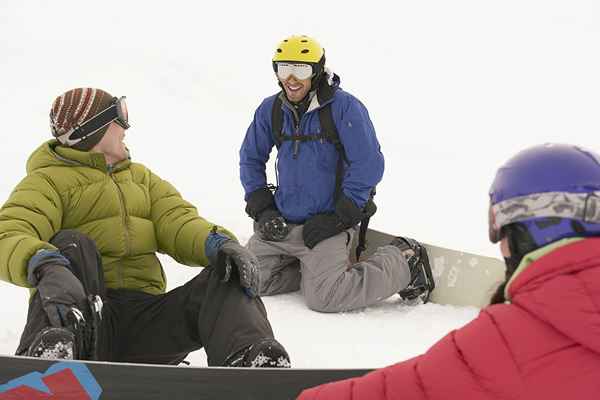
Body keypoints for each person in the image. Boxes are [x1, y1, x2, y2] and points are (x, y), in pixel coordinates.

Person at [0, 88, 290, 368]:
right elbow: (9, 232)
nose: (126, 126)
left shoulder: (141, 179)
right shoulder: (47, 182)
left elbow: (177, 220)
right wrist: (44, 264)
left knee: (227, 269)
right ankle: (46, 359)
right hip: (85, 321)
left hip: (147, 321)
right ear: (95, 129)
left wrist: (218, 243)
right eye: (119, 116)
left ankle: (249, 361)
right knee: (72, 243)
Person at [297, 143, 600, 399]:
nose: (501, 246)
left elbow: (404, 390)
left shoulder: (505, 341)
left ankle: (405, 260)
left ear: (529, 227)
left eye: (501, 231)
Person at [239, 35, 435, 313]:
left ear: (317, 71)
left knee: (325, 298)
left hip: (327, 225)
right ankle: (309, 269)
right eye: (284, 69)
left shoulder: (344, 108)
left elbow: (369, 164)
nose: (291, 78)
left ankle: (405, 260)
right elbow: (250, 158)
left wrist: (340, 216)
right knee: (244, 279)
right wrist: (263, 208)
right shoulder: (270, 109)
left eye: (301, 69)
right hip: (283, 223)